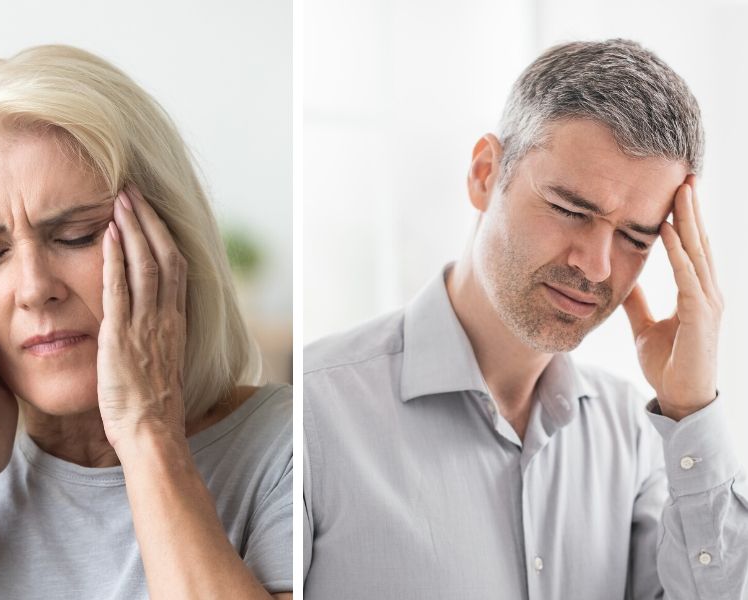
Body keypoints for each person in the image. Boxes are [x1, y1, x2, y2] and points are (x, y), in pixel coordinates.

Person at [303, 39, 747, 599]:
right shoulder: (317, 414)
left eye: (636, 237)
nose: (596, 265)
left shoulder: (634, 440)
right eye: (569, 210)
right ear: (485, 174)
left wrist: (692, 408)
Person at [0, 45, 292, 599]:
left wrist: (149, 434)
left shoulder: (291, 450)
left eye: (76, 235)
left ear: (167, 239)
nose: (35, 289)